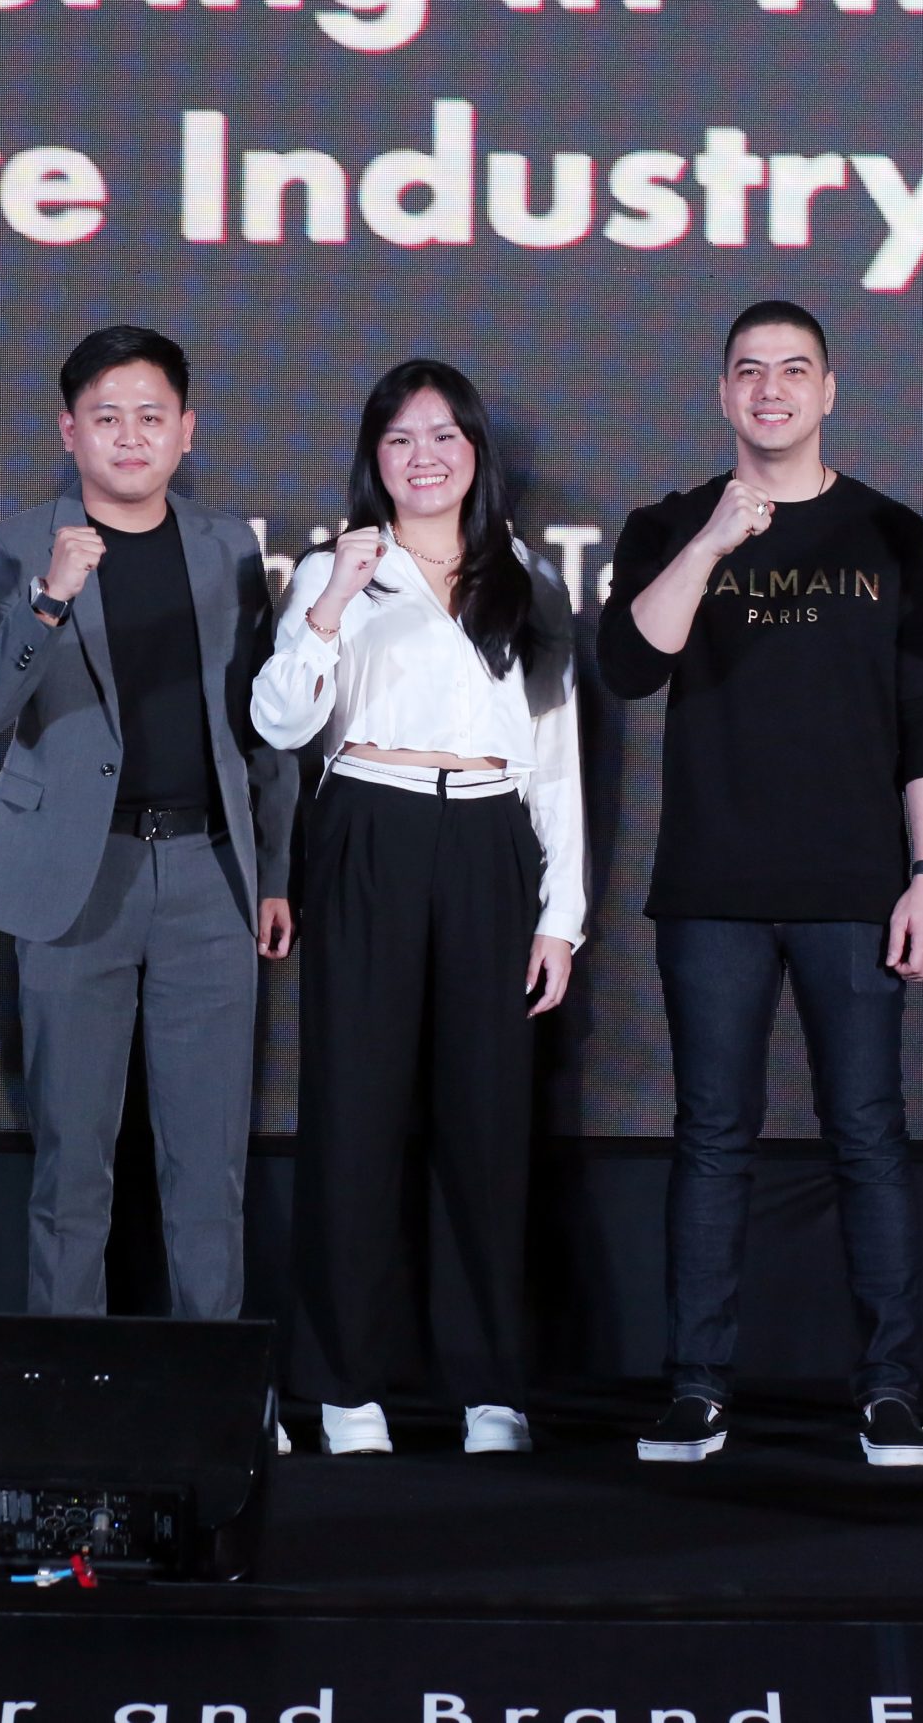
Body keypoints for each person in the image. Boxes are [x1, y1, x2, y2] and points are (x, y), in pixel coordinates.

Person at [598, 300, 923, 1468]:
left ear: (828, 388)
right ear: (720, 393)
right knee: (711, 1134)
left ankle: (890, 1387)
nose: (770, 390)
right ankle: (697, 1385)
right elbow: (627, 665)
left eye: (792, 370)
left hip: (858, 884)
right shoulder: (665, 523)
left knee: (867, 1131)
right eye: (747, 371)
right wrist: (711, 542)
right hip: (712, 885)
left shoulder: (891, 533)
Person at [252, 358, 584, 1457]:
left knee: (486, 1124)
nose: (424, 456)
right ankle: (347, 1385)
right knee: (353, 1115)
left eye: (444, 436)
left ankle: (490, 1386)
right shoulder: (330, 570)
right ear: (373, 458)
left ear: (475, 451)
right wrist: (336, 601)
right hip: (370, 828)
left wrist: (560, 914)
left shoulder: (522, 575)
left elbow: (554, 754)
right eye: (400, 440)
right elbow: (283, 720)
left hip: (489, 837)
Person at [0, 326, 298, 1345]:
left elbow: (261, 723)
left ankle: (212, 1381)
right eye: (107, 417)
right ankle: (68, 1373)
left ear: (185, 431)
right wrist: (51, 598)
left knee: (208, 1156)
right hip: (77, 875)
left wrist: (272, 869)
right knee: (73, 1152)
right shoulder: (19, 543)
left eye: (152, 416)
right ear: (70, 430)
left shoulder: (229, 546)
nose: (130, 435)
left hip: (208, 874)